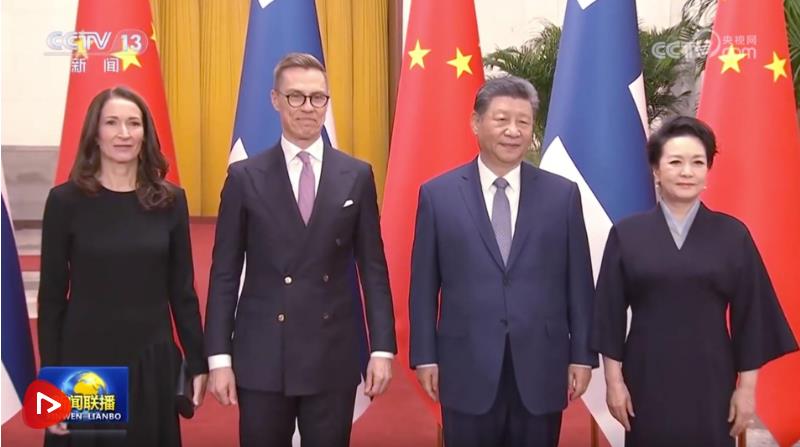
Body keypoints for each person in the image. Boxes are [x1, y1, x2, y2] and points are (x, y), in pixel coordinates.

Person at [204, 52, 396, 447]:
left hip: (332, 353)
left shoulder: (356, 175)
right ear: (275, 100)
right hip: (262, 353)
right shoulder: (245, 177)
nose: (308, 107)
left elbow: (373, 270)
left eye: (317, 97)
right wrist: (219, 357)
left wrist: (382, 348)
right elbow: (224, 273)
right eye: (296, 97)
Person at [408, 76, 597, 447]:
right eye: (502, 120)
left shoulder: (562, 195)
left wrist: (582, 356)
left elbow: (579, 283)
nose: (513, 131)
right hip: (466, 364)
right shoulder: (438, 195)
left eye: (523, 122)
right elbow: (423, 286)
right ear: (476, 123)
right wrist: (425, 356)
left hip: (541, 365)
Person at [591, 116, 798, 447]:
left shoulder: (733, 235)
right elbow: (608, 313)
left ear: (707, 171)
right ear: (656, 171)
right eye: (675, 162)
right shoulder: (627, 234)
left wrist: (746, 389)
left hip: (712, 378)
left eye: (697, 163)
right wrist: (614, 383)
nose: (687, 172)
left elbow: (752, 317)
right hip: (646, 376)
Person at [38, 86, 208, 447]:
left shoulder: (170, 200)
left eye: (133, 123)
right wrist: (50, 384)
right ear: (95, 134)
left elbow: (182, 291)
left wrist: (198, 362)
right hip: (90, 367)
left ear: (145, 133)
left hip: (150, 361)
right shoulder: (65, 201)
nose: (124, 133)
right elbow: (51, 298)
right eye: (112, 123)